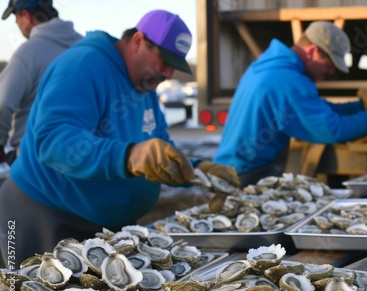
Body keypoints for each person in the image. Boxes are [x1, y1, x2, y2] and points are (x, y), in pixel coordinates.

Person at [0, 9, 239, 269]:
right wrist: (129, 156)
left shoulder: (144, 83)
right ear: (137, 41)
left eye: (175, 66)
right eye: (164, 60)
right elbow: (53, 141)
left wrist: (197, 169)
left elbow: (157, 148)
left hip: (104, 225)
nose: (169, 73)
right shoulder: (84, 64)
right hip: (47, 216)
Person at [213, 21, 367, 187]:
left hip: (229, 168)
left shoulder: (269, 65)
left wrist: (360, 105)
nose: (330, 72)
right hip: (247, 176)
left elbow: (314, 108)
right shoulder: (291, 82)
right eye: (329, 65)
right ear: (312, 51)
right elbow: (333, 130)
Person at [0, 0, 83, 166]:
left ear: (27, 16)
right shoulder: (84, 48)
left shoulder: (28, 52)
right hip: (81, 161)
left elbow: (2, 105)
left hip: (33, 166)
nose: (16, 22)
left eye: (16, 16)